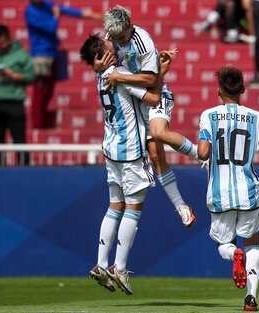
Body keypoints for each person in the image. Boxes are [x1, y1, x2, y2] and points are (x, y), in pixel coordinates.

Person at [80, 33, 173, 295]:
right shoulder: (118, 73)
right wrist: (162, 72)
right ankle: (119, 267)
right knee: (133, 209)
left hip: (110, 148)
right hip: (130, 151)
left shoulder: (100, 76)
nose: (114, 44)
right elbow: (154, 99)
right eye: (109, 44)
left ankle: (100, 264)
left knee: (114, 207)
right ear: (102, 53)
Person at [97, 5, 197, 228]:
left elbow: (151, 80)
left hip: (156, 93)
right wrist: (97, 66)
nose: (118, 42)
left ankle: (203, 157)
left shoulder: (142, 41)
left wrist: (120, 77)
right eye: (115, 38)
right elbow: (96, 58)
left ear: (130, 27)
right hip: (136, 101)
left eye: (122, 37)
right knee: (155, 155)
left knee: (158, 134)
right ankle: (182, 206)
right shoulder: (109, 37)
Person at [198, 66, 259, 311]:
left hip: (219, 193)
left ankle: (233, 253)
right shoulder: (256, 117)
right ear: (243, 89)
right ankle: (251, 298)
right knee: (254, 243)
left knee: (223, 243)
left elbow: (203, 152)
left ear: (218, 90)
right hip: (248, 192)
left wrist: (203, 150)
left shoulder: (208, 115)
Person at [24, 0, 103, 129]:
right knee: (40, 91)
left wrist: (91, 15)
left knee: (49, 90)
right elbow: (50, 27)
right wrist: (55, 15)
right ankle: (37, 124)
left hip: (52, 53)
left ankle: (43, 121)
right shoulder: (30, 12)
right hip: (41, 55)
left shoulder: (45, 4)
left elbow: (65, 10)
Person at [0, 24, 35, 166]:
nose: (0, 46)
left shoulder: (21, 54)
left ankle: (24, 170)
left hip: (14, 102)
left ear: (9, 39)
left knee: (19, 140)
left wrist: (14, 75)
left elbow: (32, 76)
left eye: (3, 43)